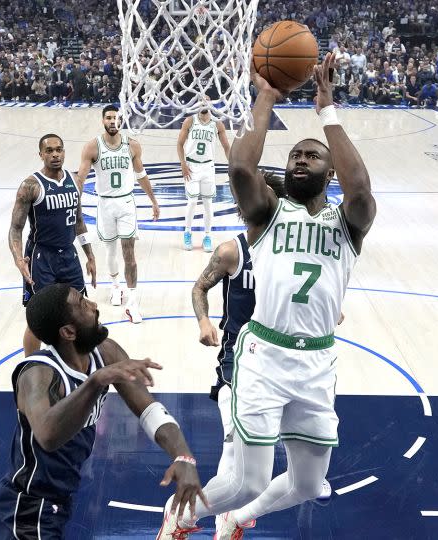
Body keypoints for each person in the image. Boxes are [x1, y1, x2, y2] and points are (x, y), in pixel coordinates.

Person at [158, 52, 376, 539]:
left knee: (308, 483)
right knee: (243, 479)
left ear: (329, 171)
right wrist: (265, 99)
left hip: (318, 363)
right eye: (295, 155)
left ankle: (233, 521)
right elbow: (240, 166)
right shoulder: (267, 217)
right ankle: (180, 517)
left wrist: (328, 111)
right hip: (264, 355)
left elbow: (361, 189)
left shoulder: (347, 225)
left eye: (311, 155)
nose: (300, 159)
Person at [0, 283, 206, 539]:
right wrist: (95, 381)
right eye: (82, 304)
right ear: (68, 331)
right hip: (25, 510)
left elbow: (150, 410)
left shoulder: (106, 353)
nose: (94, 306)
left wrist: (183, 457)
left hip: (55, 505)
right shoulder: (37, 374)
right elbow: (47, 435)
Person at [190, 171, 333, 534]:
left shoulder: (299, 248)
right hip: (236, 360)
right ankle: (217, 513)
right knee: (233, 445)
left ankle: (246, 504)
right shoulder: (231, 251)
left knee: (291, 467)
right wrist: (204, 321)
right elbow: (199, 288)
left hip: (286, 360)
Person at [9, 134, 97, 356]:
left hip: (69, 255)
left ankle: (78, 362)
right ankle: (30, 366)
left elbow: (78, 221)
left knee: (79, 311)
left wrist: (91, 256)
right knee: (39, 320)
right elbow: (15, 228)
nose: (55, 154)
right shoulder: (30, 186)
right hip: (41, 257)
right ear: (41, 155)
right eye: (49, 150)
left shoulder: (75, 181)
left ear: (64, 152)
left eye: (59, 149)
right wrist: (18, 258)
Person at [75, 105, 160, 323]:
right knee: (111, 251)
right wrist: (75, 202)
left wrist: (153, 200)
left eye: (116, 118)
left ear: (121, 121)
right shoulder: (92, 147)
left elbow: (141, 175)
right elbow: (81, 178)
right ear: (103, 120)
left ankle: (132, 303)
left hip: (126, 203)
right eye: (109, 118)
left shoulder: (132, 146)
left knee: (129, 251)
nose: (113, 121)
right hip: (105, 204)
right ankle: (115, 286)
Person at [176, 103, 231, 252]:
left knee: (208, 203)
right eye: (200, 101)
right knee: (192, 201)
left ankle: (208, 235)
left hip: (208, 167)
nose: (203, 104)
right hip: (192, 166)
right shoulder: (190, 121)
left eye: (206, 101)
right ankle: (187, 232)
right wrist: (183, 163)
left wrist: (231, 164)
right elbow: (180, 144)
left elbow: (226, 147)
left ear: (210, 104)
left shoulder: (217, 123)